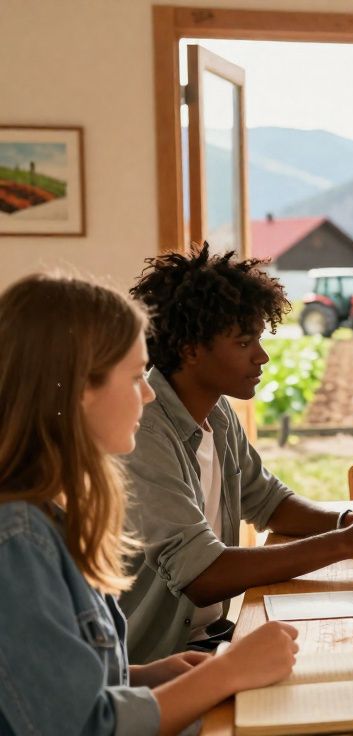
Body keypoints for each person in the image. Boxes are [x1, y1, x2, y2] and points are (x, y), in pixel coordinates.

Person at [0, 274, 299, 736]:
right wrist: (227, 672)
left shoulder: (54, 511)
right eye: (137, 376)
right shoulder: (18, 537)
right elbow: (82, 727)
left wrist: (144, 677)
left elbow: (58, 685)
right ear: (81, 388)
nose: (149, 393)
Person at [120, 245, 353, 664]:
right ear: (191, 350)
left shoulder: (217, 413)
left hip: (209, 641)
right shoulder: (144, 432)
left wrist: (348, 521)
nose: (261, 356)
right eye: (244, 342)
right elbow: (201, 575)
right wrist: (346, 543)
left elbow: (268, 502)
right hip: (154, 664)